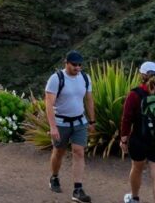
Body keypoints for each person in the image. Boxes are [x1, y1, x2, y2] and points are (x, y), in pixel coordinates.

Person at [45, 50, 96, 203]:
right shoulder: (56, 79)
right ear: (66, 63)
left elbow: (89, 100)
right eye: (74, 65)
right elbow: (49, 103)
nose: (78, 67)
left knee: (79, 152)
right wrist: (53, 127)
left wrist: (92, 121)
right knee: (59, 152)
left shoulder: (85, 78)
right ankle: (54, 176)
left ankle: (78, 189)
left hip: (79, 121)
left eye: (80, 65)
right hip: (61, 123)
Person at [121, 62, 155, 203]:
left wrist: (124, 140)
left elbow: (126, 119)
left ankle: (134, 198)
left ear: (141, 75)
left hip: (139, 140)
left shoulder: (135, 94)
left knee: (137, 169)